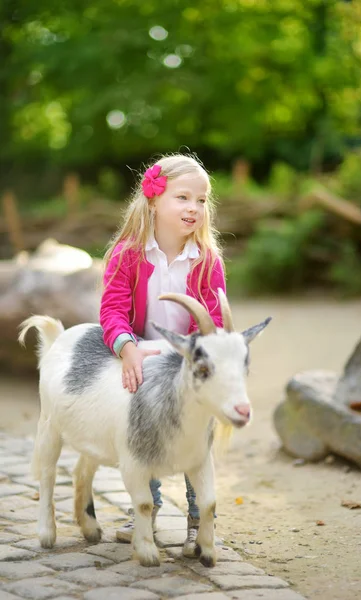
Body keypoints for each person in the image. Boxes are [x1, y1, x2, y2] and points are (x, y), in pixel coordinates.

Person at [99, 153, 226, 556]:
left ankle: (197, 519)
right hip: (142, 356)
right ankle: (146, 510)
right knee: (143, 431)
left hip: (187, 363)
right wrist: (127, 347)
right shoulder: (127, 254)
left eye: (202, 200)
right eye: (183, 197)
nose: (194, 208)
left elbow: (212, 319)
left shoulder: (207, 261)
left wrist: (193, 356)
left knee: (194, 433)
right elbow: (113, 309)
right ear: (153, 199)